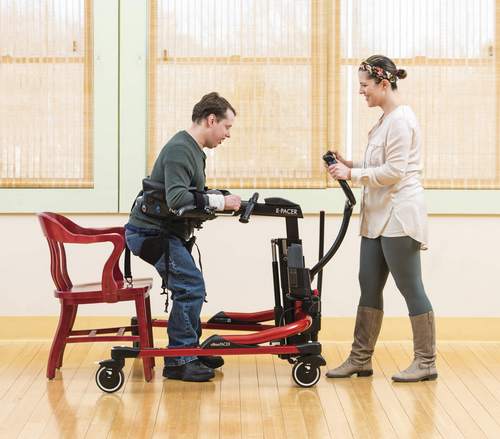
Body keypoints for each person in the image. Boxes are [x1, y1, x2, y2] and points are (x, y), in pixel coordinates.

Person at [325, 55, 437, 382]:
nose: (361, 91)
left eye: (365, 85)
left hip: (399, 215)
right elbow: (380, 163)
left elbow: (394, 171)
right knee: (369, 284)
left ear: (384, 84)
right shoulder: (385, 120)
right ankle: (360, 359)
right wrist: (350, 164)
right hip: (377, 215)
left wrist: (352, 174)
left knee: (410, 286)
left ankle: (426, 362)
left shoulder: (401, 120)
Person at [125, 92, 241, 382]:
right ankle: (180, 360)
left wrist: (219, 198)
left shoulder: (192, 150)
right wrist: (219, 202)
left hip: (162, 232)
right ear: (211, 120)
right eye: (226, 127)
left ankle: (190, 350)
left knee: (191, 285)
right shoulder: (180, 149)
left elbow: (190, 195)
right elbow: (177, 199)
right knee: (190, 287)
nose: (228, 135)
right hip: (151, 233)